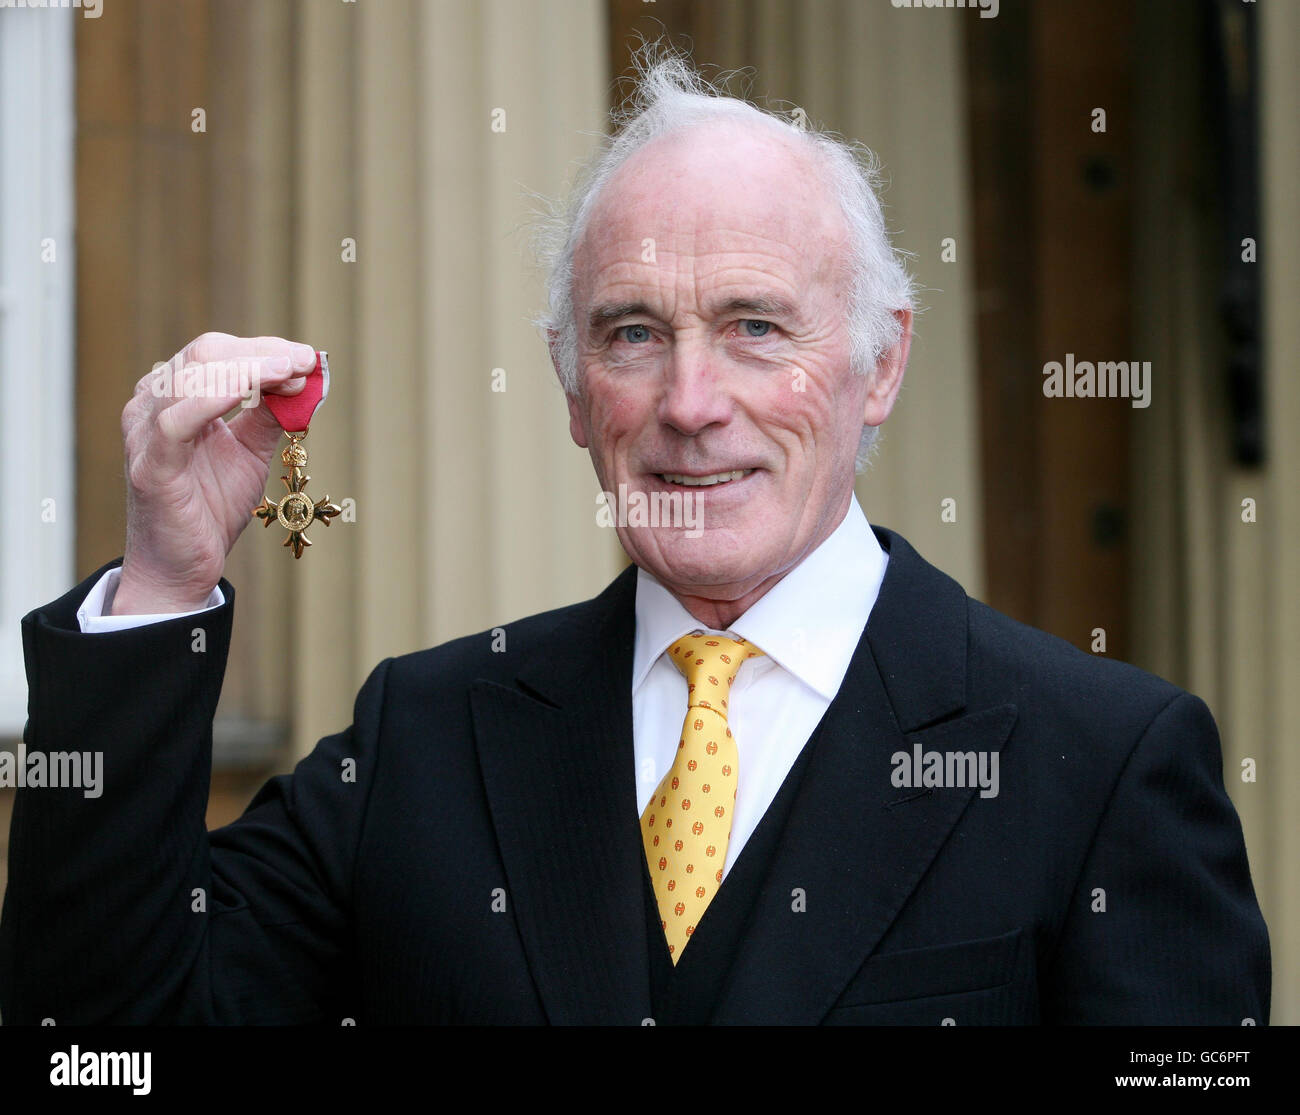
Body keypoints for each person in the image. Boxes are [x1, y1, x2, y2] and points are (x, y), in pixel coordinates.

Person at [0, 51, 1269, 1025]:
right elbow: (102, 1041)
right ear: (567, 388)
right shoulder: (422, 740)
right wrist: (167, 577)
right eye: (631, 333)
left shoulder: (1102, 764)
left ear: (879, 363)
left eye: (756, 326)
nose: (688, 402)